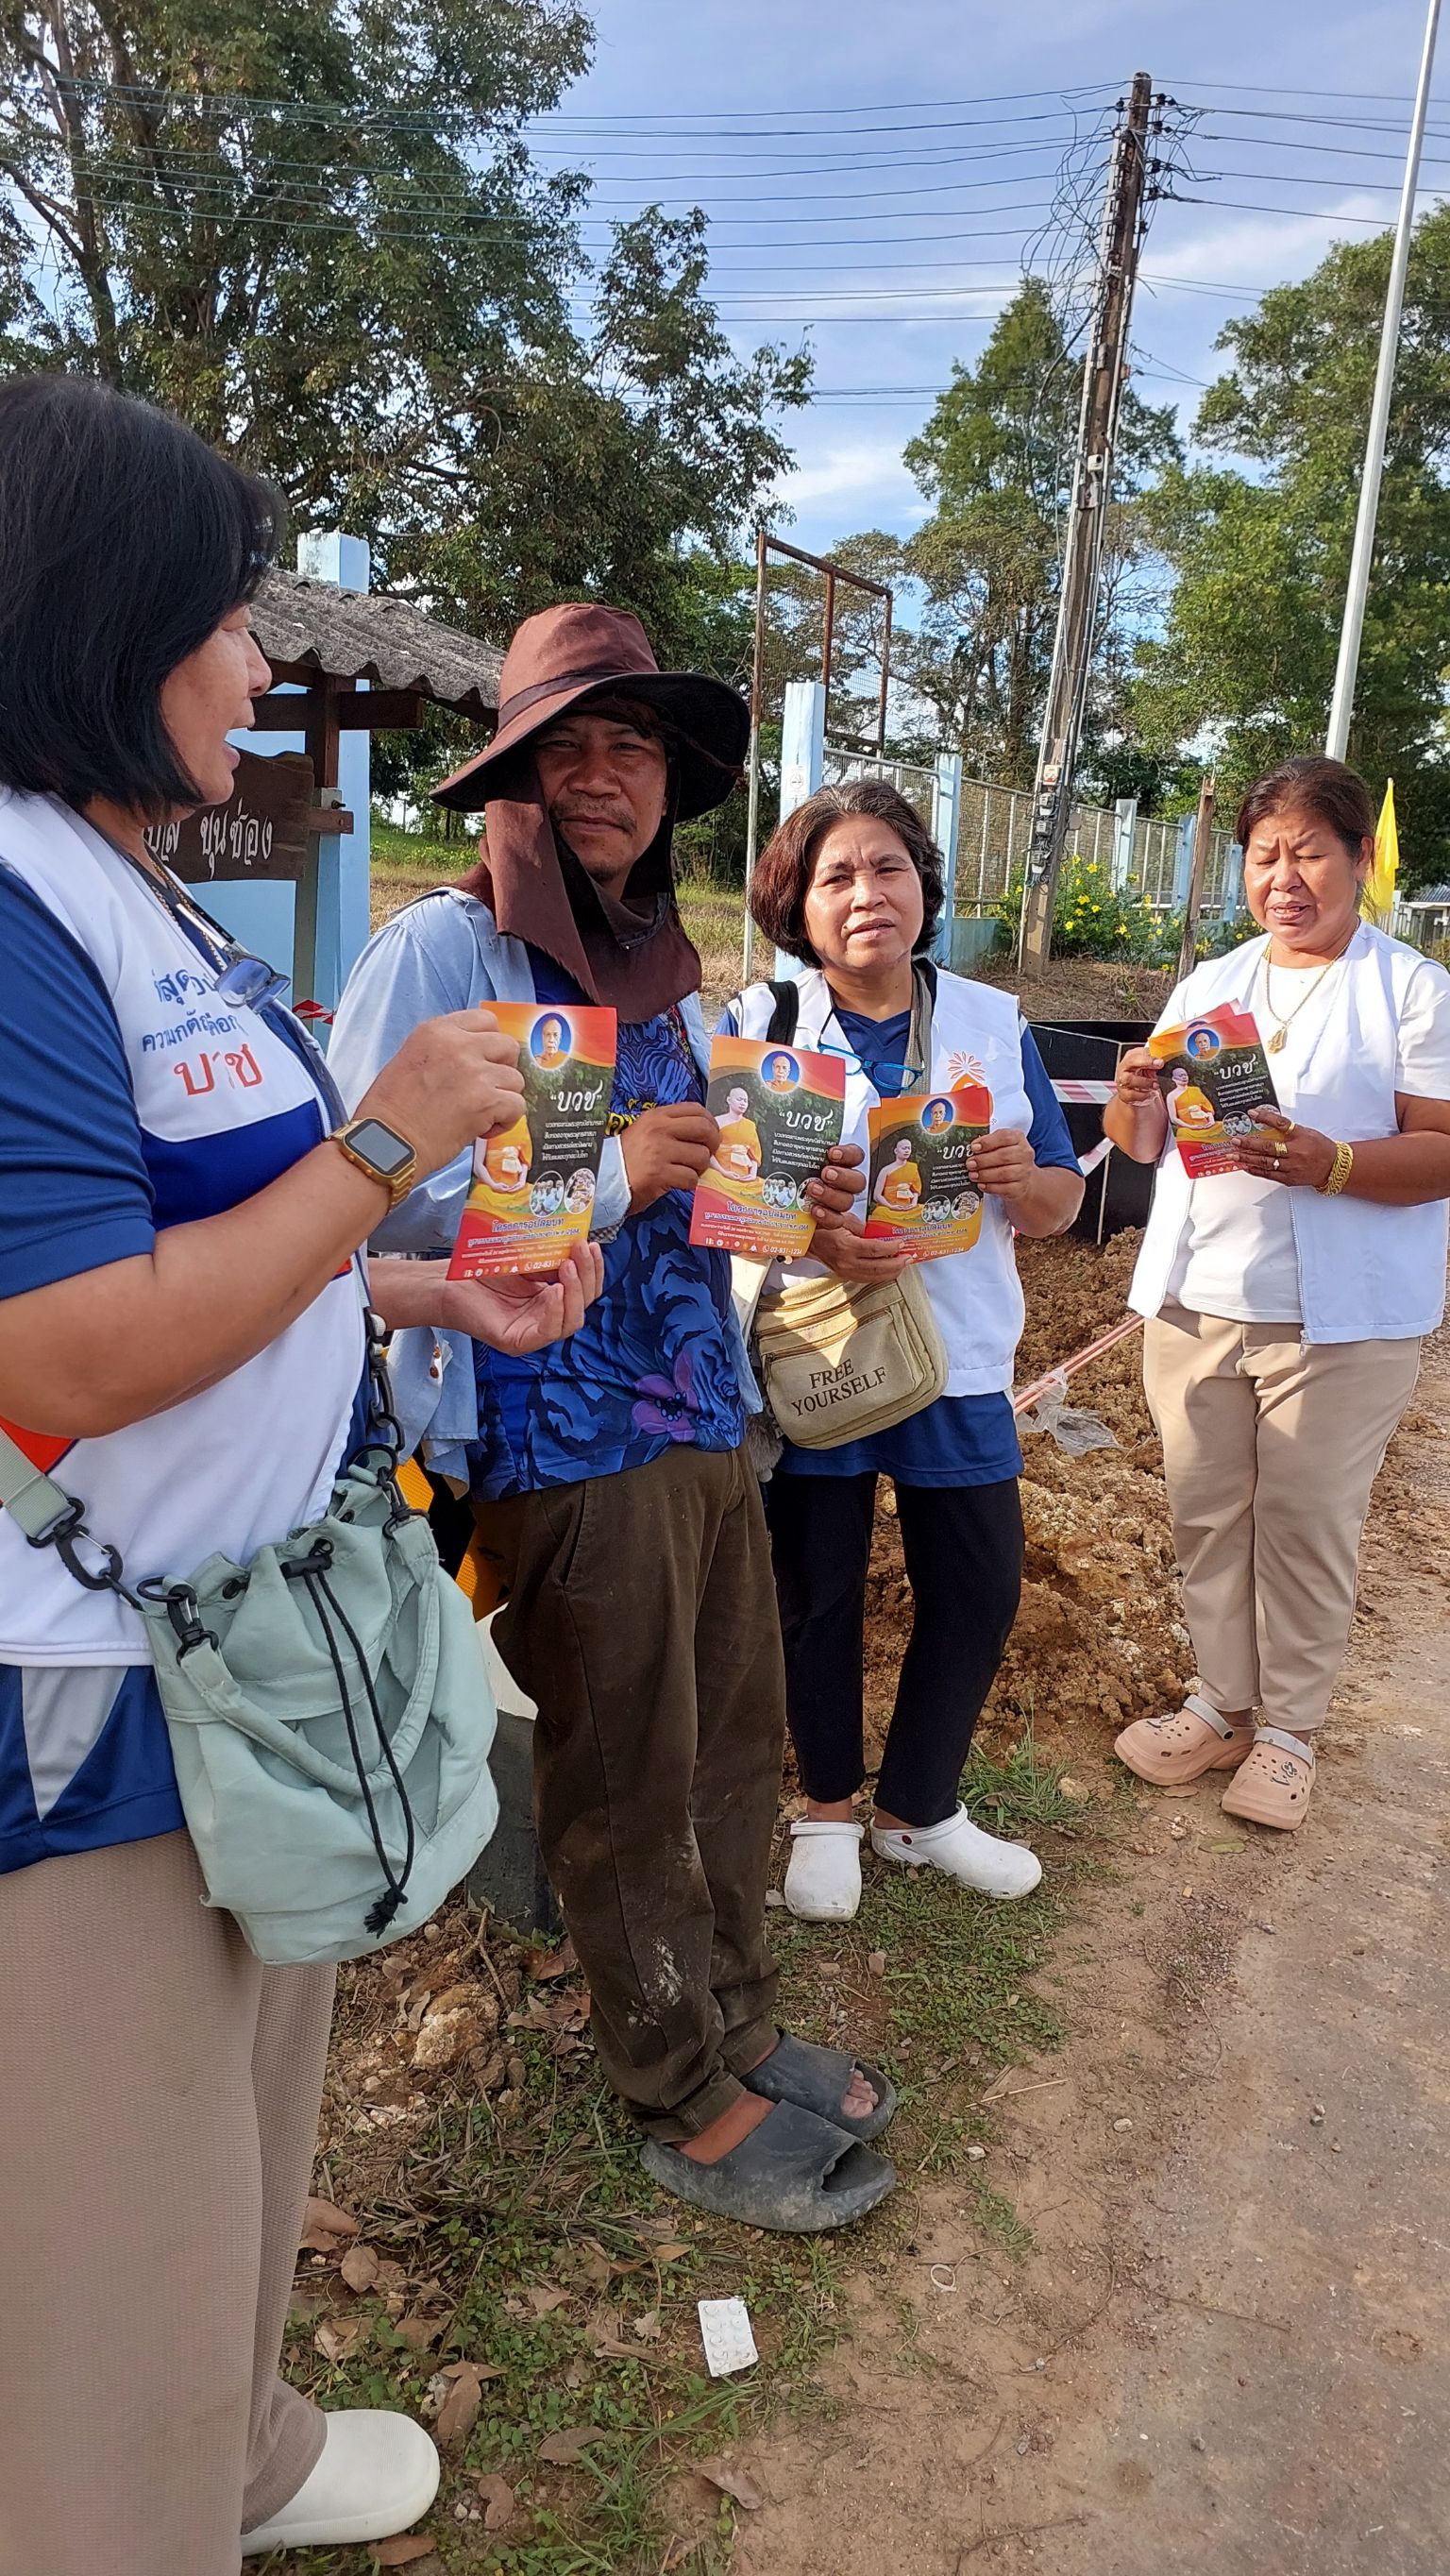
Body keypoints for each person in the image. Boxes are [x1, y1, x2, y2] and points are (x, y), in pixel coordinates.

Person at [0, 379, 604, 2576]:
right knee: (106, 2214)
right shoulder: (11, 896)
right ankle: (125, 2505)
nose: (261, 671)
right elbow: (59, 1347)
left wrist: (424, 1297)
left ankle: (236, 2444)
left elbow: (236, 1256)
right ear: (94, 617)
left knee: (250, 2086)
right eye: (224, 620)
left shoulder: (125, 880)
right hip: (92, 1687)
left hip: (257, 1624)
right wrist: (398, 1144)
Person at [329, 602, 900, 2230]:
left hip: (702, 1406)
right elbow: (368, 1218)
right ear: (512, 772)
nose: (603, 776)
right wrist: (607, 1173)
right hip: (556, 1430)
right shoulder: (444, 953)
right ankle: (671, 2083)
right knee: (628, 1766)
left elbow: (699, 1199)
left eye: (632, 746)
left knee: (730, 1742)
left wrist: (781, 1183)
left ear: (668, 781)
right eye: (567, 745)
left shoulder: (666, 962)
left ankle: (739, 2021)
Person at [721, 780, 1085, 1923]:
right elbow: (732, 1209)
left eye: (889, 868)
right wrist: (816, 1230)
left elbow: (1066, 1201)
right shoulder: (766, 1023)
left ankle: (920, 1808)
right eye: (837, 877)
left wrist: (1029, 1183)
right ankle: (826, 1806)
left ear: (926, 885)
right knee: (815, 1591)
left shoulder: (990, 1019)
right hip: (820, 1350)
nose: (868, 894)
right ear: (798, 905)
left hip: (961, 1357)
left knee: (976, 1589)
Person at [1106, 756, 1450, 1829]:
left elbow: (1441, 1145)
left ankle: (1292, 1729)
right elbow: (1143, 1143)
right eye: (1265, 855)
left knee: (1305, 1520)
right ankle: (1222, 1703)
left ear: (1359, 857)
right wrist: (1129, 1098)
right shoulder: (1209, 986)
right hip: (1202, 1297)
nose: (1285, 876)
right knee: (1207, 1508)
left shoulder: (1411, 989)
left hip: (1337, 1318)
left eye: (1309, 851)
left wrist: (1333, 1163)